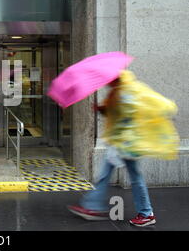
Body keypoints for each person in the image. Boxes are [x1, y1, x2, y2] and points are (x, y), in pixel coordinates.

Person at [68, 70, 179, 227]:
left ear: (116, 79)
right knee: (108, 175)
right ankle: (92, 206)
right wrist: (102, 109)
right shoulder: (118, 91)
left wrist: (108, 111)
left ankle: (146, 213)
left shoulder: (127, 92)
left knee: (133, 177)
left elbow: (128, 118)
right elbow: (116, 114)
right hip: (120, 142)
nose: (107, 83)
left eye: (109, 80)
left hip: (127, 144)